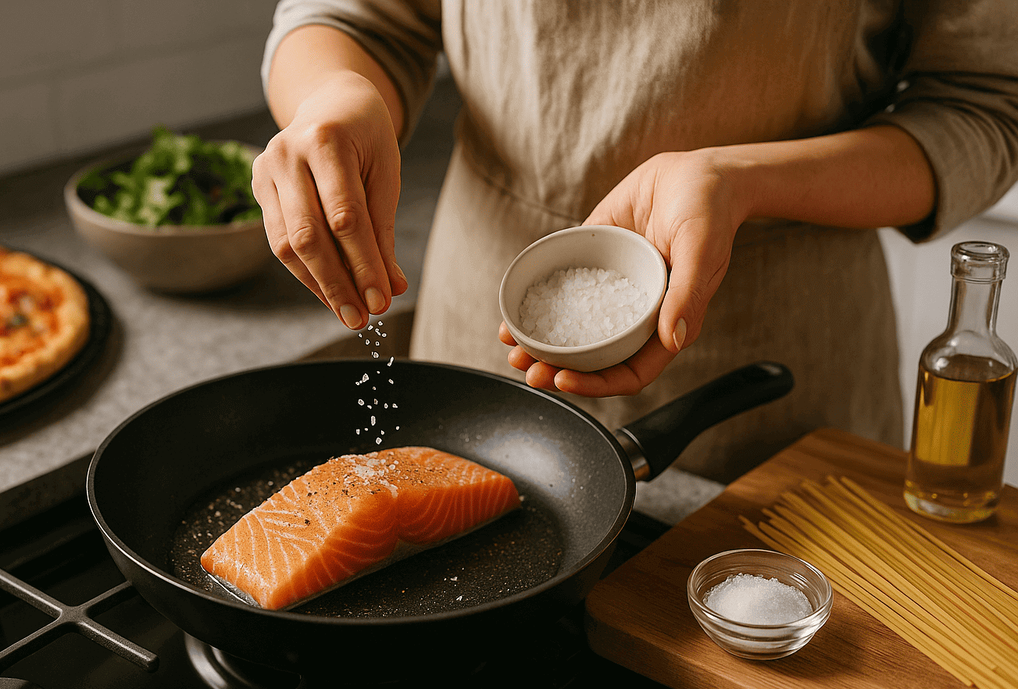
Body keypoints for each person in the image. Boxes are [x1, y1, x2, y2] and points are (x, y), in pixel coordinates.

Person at [250, 1, 1018, 482]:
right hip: (484, 309)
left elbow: (985, 106)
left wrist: (745, 180)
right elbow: (358, 18)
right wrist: (337, 96)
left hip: (777, 345)